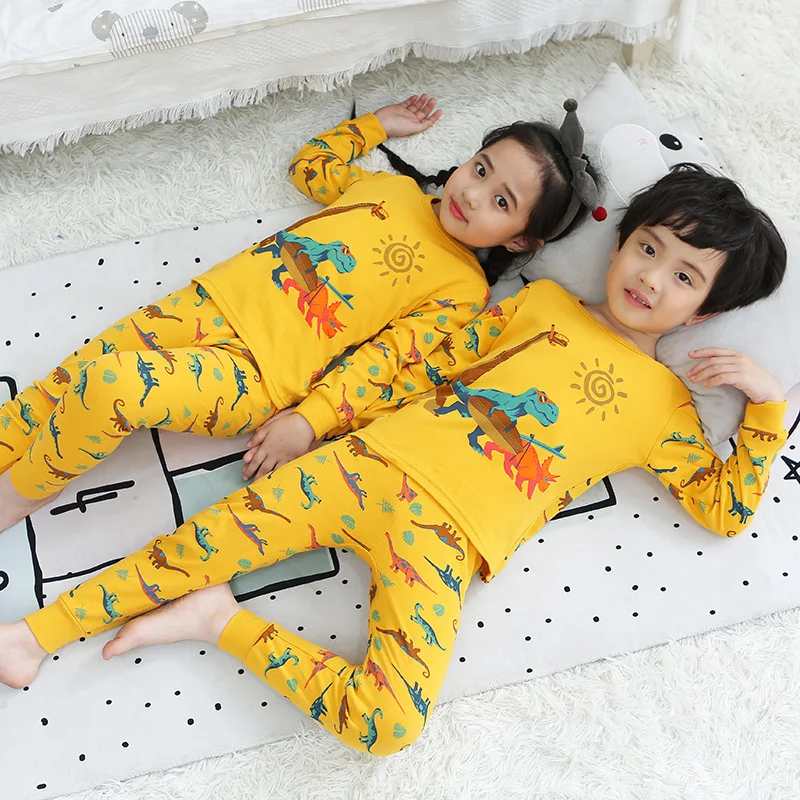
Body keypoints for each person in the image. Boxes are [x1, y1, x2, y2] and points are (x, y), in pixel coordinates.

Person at [2, 166, 786, 760]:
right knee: (193, 547)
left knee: (388, 724)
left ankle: (219, 620)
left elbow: (723, 510)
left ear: (706, 312)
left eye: (684, 276)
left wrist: (767, 410)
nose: (650, 277)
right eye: (648, 248)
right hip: (367, 462)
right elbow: (424, 366)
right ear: (621, 242)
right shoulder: (538, 303)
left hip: (450, 539)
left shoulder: (669, 408)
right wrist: (318, 422)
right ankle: (33, 635)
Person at [0, 94, 600, 535]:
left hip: (254, 374)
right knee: (63, 382)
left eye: (501, 201)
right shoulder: (391, 191)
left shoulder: (462, 289)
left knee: (110, 386)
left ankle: (21, 494)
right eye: (481, 168)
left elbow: (382, 362)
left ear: (519, 241)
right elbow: (309, 167)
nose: (471, 193)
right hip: (204, 303)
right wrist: (376, 125)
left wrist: (309, 422)